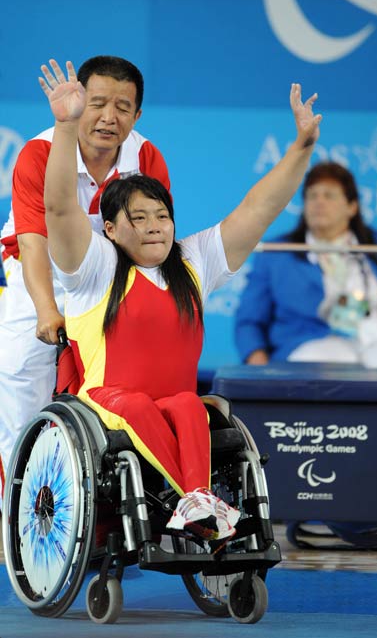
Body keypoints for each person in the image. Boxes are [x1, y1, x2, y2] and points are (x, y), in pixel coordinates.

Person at [41, 59, 322, 541]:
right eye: (139, 218)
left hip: (169, 404)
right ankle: (194, 502)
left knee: (191, 405)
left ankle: (197, 500)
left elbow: (260, 207)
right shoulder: (94, 268)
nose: (154, 226)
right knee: (138, 404)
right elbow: (60, 207)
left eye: (162, 216)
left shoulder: (192, 262)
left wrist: (302, 147)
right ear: (109, 229)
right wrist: (66, 128)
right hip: (107, 401)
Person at [0, 55, 170, 504]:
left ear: (137, 115)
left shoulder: (147, 157)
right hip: (39, 274)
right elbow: (34, 242)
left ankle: (117, 510)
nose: (108, 117)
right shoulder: (39, 153)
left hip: (106, 276)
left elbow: (152, 245)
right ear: (78, 102)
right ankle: (15, 514)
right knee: (20, 373)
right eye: (97, 103)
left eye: (122, 106)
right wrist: (46, 310)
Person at [235, 162, 377, 367]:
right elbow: (248, 321)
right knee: (330, 362)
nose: (318, 202)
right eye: (312, 196)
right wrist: (257, 364)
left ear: (352, 207)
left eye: (329, 195)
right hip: (317, 345)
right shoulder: (276, 253)